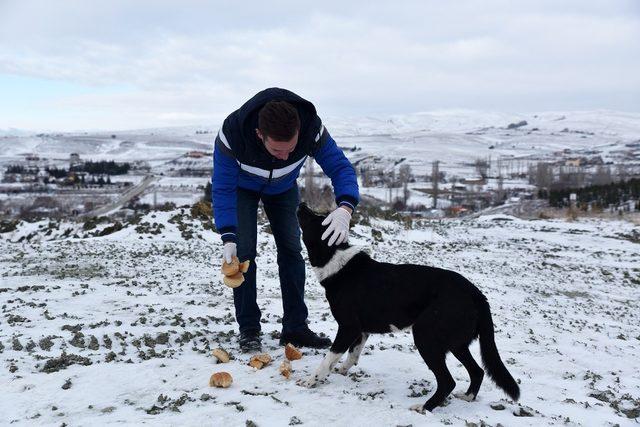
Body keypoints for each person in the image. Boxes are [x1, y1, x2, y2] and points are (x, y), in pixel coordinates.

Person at [212, 88, 359, 352]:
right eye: (278, 150)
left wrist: (345, 207)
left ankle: (295, 328)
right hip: (242, 190)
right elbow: (222, 188)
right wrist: (228, 234)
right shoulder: (232, 134)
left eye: (291, 149)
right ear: (259, 134)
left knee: (292, 250)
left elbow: (340, 167)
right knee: (243, 254)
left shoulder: (311, 128)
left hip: (283, 189)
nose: (285, 156)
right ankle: (249, 329)